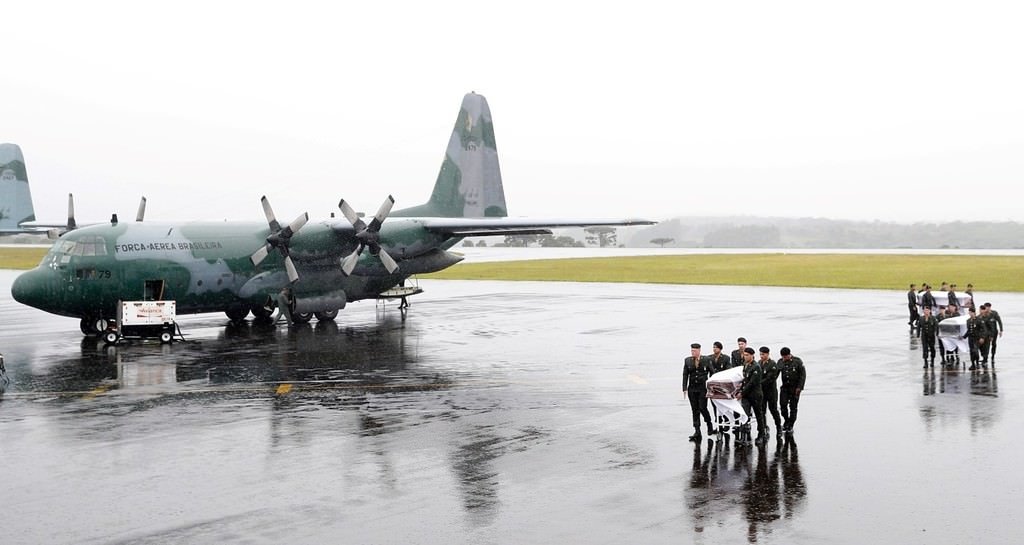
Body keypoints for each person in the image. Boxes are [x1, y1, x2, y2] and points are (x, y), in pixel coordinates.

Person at [682, 343, 716, 441]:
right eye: (692, 350)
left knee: (702, 408)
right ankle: (697, 431)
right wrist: (684, 388)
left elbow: (712, 372)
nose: (693, 352)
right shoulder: (687, 360)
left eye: (695, 351)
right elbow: (685, 374)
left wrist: (711, 386)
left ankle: (709, 424)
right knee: (694, 409)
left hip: (702, 388)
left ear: (699, 350)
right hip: (692, 389)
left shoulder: (706, 360)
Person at [736, 347, 766, 445]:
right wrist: (739, 390)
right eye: (744, 355)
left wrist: (742, 393)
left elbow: (752, 383)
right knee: (745, 415)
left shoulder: (756, 366)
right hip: (746, 395)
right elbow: (744, 381)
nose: (745, 357)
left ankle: (761, 434)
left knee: (758, 414)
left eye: (747, 355)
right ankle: (744, 437)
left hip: (755, 394)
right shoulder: (745, 365)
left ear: (752, 355)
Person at [778, 347, 805, 434]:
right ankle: (786, 420)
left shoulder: (797, 361)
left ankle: (791, 425)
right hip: (785, 387)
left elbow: (802, 375)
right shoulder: (780, 361)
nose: (784, 359)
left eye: (785, 357)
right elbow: (775, 373)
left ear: (789, 355)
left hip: (795, 388)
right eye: (783, 357)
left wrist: (799, 388)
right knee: (783, 406)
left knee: (793, 408)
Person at [759, 346, 782, 437]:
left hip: (771, 391)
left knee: (773, 410)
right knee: (762, 410)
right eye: (760, 354)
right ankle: (764, 427)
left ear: (768, 354)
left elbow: (770, 379)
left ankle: (778, 427)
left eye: (763, 354)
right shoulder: (759, 363)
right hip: (762, 392)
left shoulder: (772, 364)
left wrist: (758, 383)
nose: (761, 356)